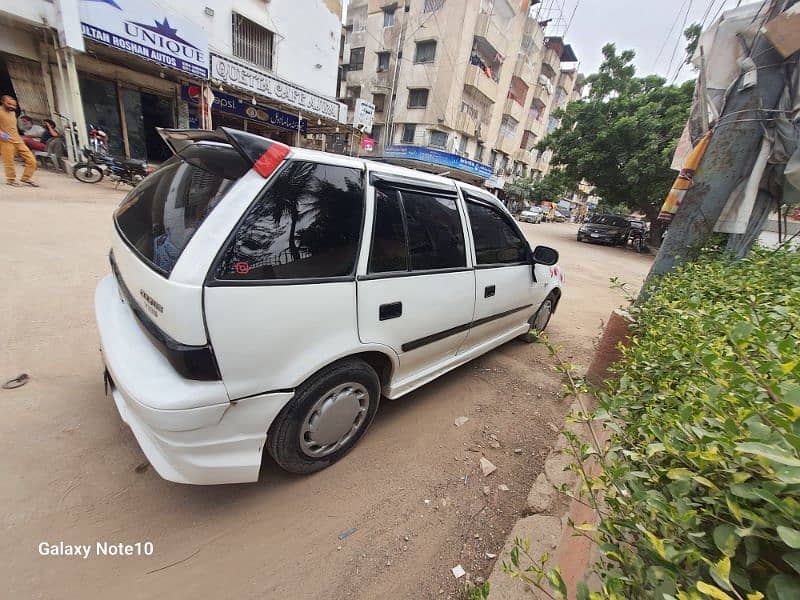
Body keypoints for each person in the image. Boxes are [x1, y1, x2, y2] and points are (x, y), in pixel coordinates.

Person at [0, 95, 38, 187]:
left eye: (14, 105)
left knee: (31, 160)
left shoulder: (12, 113)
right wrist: (4, 136)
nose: (12, 107)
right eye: (9, 104)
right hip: (6, 141)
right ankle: (11, 180)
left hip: (18, 140)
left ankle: (26, 177)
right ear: (2, 102)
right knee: (9, 161)